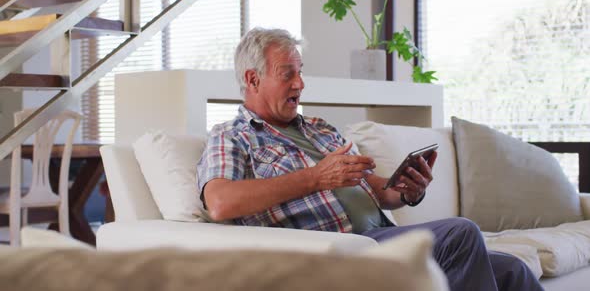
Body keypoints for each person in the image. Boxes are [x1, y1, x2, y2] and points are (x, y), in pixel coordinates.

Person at [197, 28, 543, 291]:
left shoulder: (319, 129)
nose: (300, 83)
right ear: (252, 79)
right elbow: (220, 202)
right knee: (460, 232)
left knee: (512, 270)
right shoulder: (233, 135)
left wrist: (405, 191)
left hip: (382, 237)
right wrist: (315, 177)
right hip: (336, 253)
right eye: (288, 73)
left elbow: (376, 191)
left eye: (301, 72)